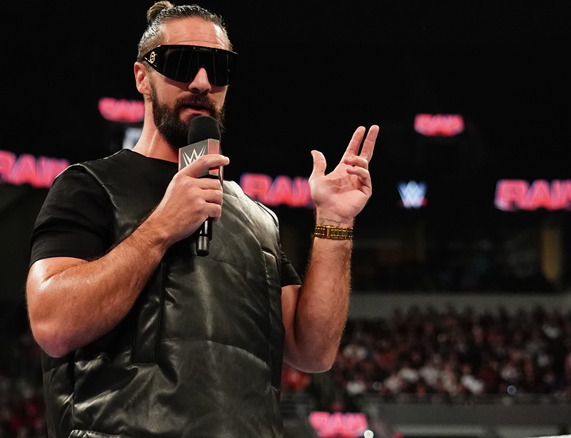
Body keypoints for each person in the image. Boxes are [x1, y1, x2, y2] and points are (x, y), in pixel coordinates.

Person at [25, 2, 378, 437]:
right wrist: (160, 229)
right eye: (181, 64)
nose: (201, 82)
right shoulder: (89, 186)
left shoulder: (258, 218)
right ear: (142, 76)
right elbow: (53, 323)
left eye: (217, 66)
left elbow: (313, 351)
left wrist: (334, 224)